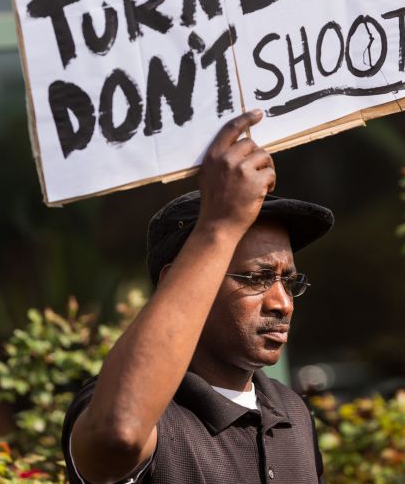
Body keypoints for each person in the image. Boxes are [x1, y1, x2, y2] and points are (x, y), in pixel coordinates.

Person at [62, 109, 334, 483]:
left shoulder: (291, 412)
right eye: (256, 278)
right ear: (181, 281)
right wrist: (219, 226)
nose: (282, 303)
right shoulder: (147, 413)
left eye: (289, 281)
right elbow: (119, 432)